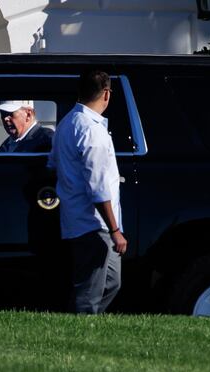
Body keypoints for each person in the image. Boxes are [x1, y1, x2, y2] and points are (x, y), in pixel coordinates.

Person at [49, 70, 127, 314]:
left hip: (78, 219)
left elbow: (52, 163)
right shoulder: (91, 130)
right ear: (106, 93)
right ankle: (80, 335)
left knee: (111, 283)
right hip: (94, 224)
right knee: (89, 292)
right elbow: (99, 187)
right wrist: (115, 230)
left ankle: (90, 326)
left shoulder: (66, 124)